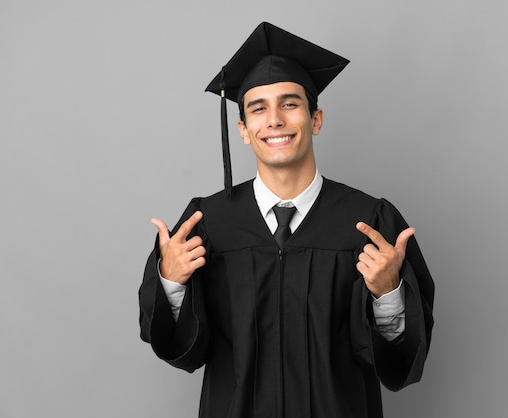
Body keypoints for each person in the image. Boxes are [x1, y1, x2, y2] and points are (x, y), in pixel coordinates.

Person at [139, 22, 434, 418]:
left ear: (316, 119)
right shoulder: (206, 222)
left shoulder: (370, 221)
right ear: (244, 130)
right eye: (258, 109)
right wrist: (171, 283)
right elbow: (183, 350)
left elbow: (399, 360)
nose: (274, 119)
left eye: (290, 104)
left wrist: (388, 294)